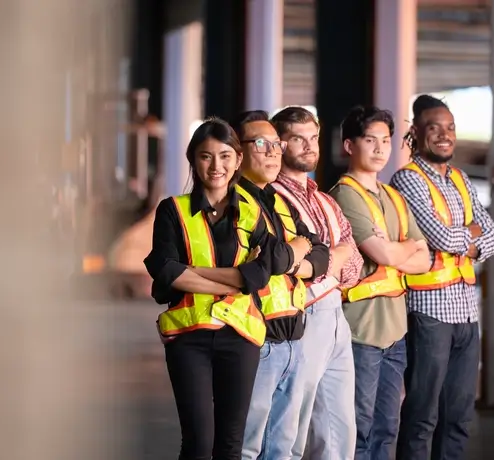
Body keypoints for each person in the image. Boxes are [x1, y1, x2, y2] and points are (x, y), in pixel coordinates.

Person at [144, 117, 313, 460]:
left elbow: (258, 275)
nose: (216, 165)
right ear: (193, 159)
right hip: (188, 338)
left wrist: (193, 272)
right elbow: (165, 271)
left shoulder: (253, 216)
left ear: (237, 160)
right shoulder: (172, 210)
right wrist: (233, 277)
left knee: (231, 445)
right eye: (206, 156)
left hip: (240, 336)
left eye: (224, 156)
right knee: (198, 443)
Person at [389, 95, 494, 460]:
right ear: (416, 133)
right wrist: (469, 236)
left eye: (450, 128)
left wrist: (464, 238)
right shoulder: (407, 180)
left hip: (467, 314)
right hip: (429, 313)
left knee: (459, 417)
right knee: (423, 415)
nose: (444, 135)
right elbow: (442, 237)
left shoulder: (461, 179)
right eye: (434, 128)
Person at [327, 106, 432, 460]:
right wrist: (404, 250)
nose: (379, 149)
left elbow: (426, 258)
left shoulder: (394, 198)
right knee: (359, 427)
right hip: (361, 332)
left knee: (388, 427)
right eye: (370, 140)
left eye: (385, 141)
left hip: (395, 331)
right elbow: (386, 255)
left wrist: (397, 250)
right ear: (349, 145)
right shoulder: (344, 196)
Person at [230, 110, 331, 460]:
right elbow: (271, 261)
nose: (274, 151)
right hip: (256, 340)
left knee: (282, 449)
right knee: (246, 446)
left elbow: (320, 252)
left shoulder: (277, 203)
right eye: (262, 143)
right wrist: (292, 255)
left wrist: (294, 259)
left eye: (276, 144)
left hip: (292, 339)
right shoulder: (233, 202)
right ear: (238, 152)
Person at [270, 106, 364, 460]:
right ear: (279, 145)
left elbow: (353, 264)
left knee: (339, 429)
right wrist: (332, 256)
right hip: (301, 316)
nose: (310, 147)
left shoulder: (323, 199)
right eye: (299, 139)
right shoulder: (272, 199)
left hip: (336, 317)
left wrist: (331, 257)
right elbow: (297, 266)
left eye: (314, 138)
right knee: (290, 426)